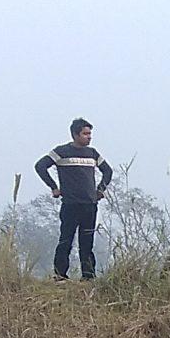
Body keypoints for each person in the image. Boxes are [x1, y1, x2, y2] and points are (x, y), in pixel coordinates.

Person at [33, 117, 113, 280]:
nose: (89, 137)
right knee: (66, 240)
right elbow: (40, 166)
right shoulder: (61, 152)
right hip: (70, 204)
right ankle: (60, 275)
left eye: (90, 133)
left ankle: (88, 276)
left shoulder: (92, 153)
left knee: (87, 242)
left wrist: (100, 190)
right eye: (85, 134)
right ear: (75, 135)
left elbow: (108, 171)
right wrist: (53, 187)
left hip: (89, 205)